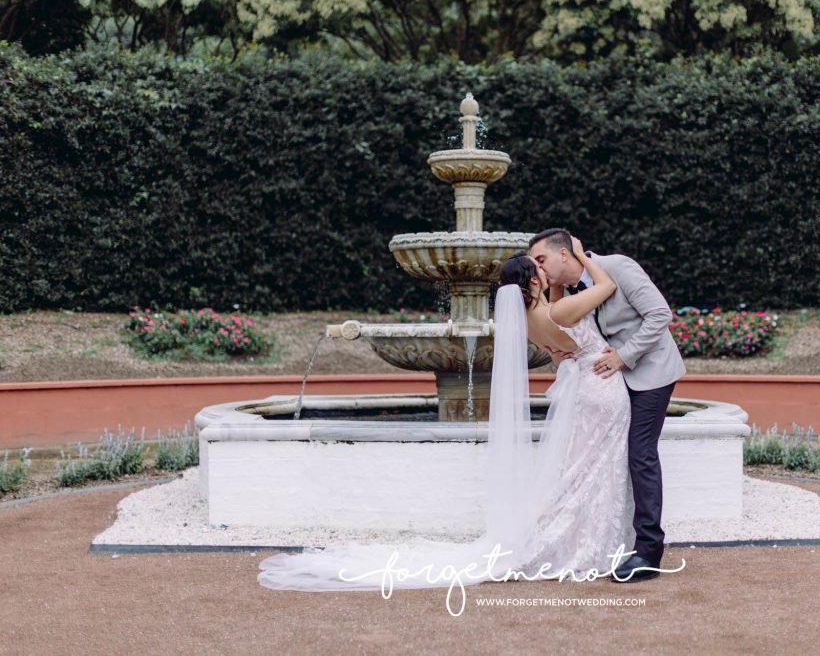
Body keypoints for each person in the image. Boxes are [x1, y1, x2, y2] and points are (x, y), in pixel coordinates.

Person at [257, 236, 649, 603]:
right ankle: (587, 545)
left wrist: (557, 286)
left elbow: (561, 333)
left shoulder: (532, 318)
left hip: (585, 388)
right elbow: (607, 287)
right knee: (594, 470)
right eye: (539, 268)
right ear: (531, 280)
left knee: (580, 470)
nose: (546, 272)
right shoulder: (559, 310)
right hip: (602, 390)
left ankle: (575, 542)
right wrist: (580, 256)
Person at [529, 228, 686, 582]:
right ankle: (616, 541)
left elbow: (660, 315)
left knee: (640, 453)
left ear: (564, 254)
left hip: (651, 373)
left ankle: (649, 551)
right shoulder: (567, 291)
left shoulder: (618, 266)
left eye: (542, 260)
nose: (539, 269)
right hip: (610, 384)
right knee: (608, 458)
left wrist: (624, 357)